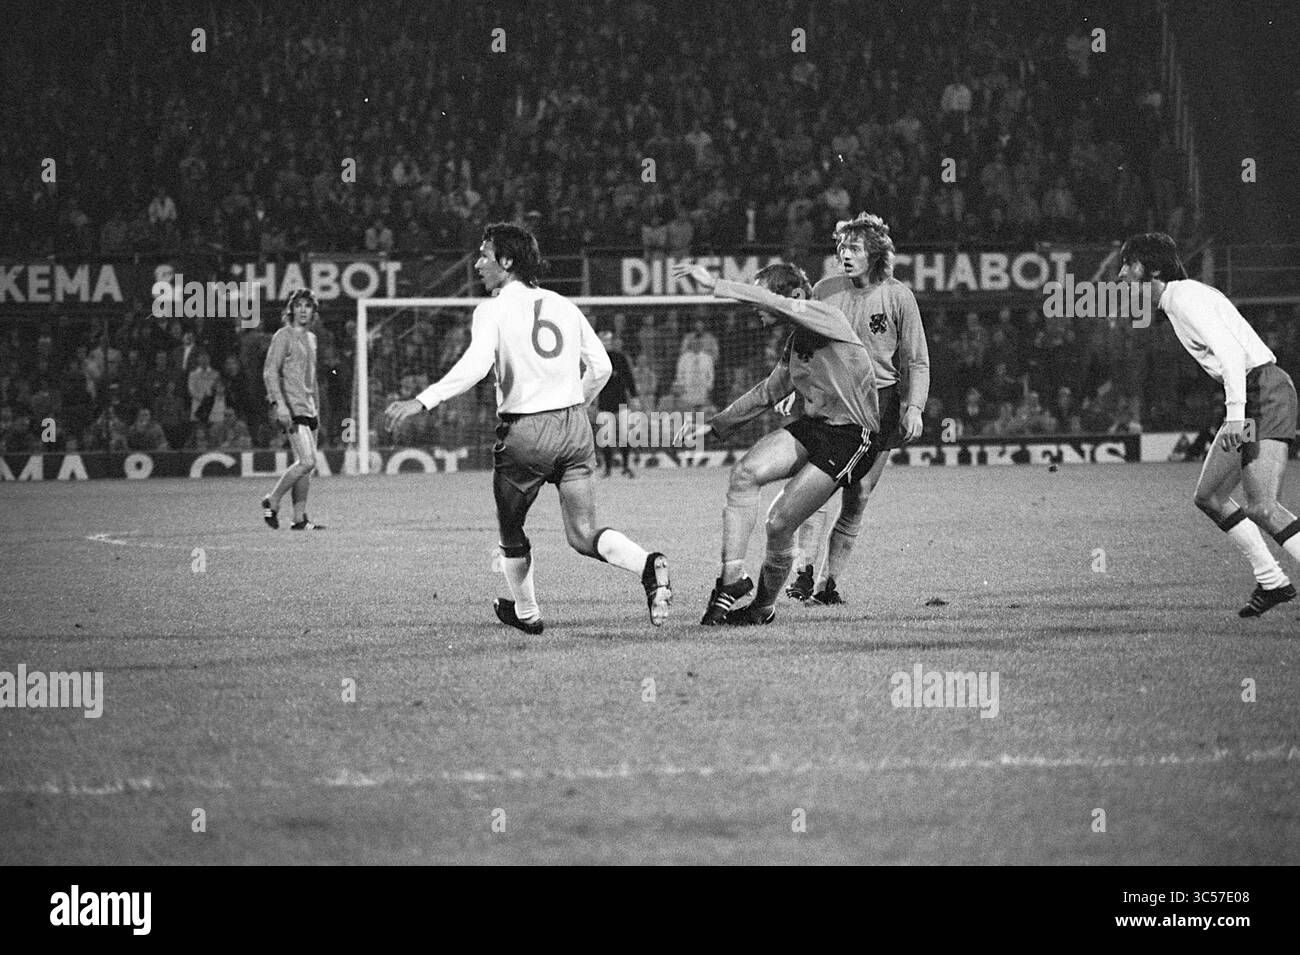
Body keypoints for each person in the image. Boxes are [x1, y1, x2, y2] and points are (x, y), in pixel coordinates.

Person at [384, 223, 671, 632]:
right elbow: (602, 367)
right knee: (583, 533)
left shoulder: (493, 310)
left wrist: (423, 400)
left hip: (527, 433)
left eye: (485, 255)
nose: (479, 264)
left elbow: (477, 365)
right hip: (574, 428)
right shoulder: (563, 304)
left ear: (506, 261)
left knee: (511, 529)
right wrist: (575, 402)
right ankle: (648, 566)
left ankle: (528, 613)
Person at [672, 260, 880, 626]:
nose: (756, 309)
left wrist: (716, 284)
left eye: (762, 299)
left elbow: (782, 306)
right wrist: (716, 426)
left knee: (780, 522)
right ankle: (732, 580)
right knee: (744, 473)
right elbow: (768, 392)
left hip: (851, 437)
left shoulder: (827, 317)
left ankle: (763, 607)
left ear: (794, 295)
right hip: (816, 426)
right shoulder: (796, 341)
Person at [1119, 232, 1299, 617]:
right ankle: (1272, 581)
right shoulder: (1184, 297)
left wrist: (1235, 416)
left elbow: (1232, 353)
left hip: (1262, 394)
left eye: (1128, 264)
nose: (1122, 274)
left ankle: (1273, 580)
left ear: (1151, 270)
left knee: (1263, 507)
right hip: (1253, 394)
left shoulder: (1183, 299)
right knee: (1210, 497)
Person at [786, 213, 930, 605]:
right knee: (816, 488)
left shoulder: (898, 296)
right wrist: (792, 382)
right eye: (841, 248)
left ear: (876, 253)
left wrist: (914, 407)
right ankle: (801, 573)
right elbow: (803, 343)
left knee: (859, 493)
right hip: (831, 397)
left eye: (853, 249)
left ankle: (827, 584)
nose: (843, 255)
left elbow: (916, 360)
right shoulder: (825, 289)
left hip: (880, 402)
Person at [261, 289, 325, 530]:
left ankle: (299, 518)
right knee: (307, 461)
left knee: (306, 465)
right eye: (298, 305)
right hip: (292, 406)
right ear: (291, 309)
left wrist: (317, 405)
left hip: (310, 408)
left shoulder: (311, 339)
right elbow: (270, 372)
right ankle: (273, 499)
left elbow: (311, 377)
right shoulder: (283, 336)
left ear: (313, 311)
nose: (303, 310)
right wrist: (279, 405)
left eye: (308, 306)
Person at [595, 330, 637, 478]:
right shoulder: (596, 359)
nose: (606, 343)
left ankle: (626, 466)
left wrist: (634, 396)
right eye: (603, 340)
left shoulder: (620, 358)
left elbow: (629, 377)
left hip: (621, 402)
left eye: (608, 340)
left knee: (626, 435)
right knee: (606, 437)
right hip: (605, 403)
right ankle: (607, 468)